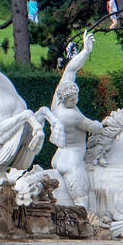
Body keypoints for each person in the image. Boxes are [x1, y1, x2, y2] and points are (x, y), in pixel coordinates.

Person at [37, 30, 104, 209]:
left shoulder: (57, 103)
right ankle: (86, 219)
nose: (75, 101)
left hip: (60, 154)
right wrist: (101, 125)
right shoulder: (72, 116)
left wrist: (86, 51)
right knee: (82, 197)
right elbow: (93, 127)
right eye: (72, 100)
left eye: (76, 98)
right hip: (72, 158)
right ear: (65, 99)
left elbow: (71, 69)